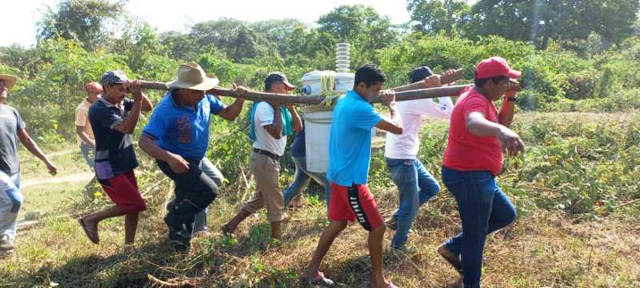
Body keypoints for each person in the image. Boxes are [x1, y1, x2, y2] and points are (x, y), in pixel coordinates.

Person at [302, 64, 403, 288]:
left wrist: (377, 100)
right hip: (352, 182)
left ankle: (311, 271)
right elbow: (397, 128)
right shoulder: (360, 109)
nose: (377, 95)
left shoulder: (344, 101)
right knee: (378, 228)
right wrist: (392, 105)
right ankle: (379, 282)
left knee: (337, 223)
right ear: (361, 85)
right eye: (375, 90)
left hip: (337, 176)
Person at [437, 57, 524, 288]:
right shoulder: (474, 101)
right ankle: (470, 284)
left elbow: (503, 119)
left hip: (478, 175)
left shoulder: (482, 95)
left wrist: (509, 97)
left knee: (505, 214)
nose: (508, 84)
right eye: (504, 82)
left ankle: (453, 248)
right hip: (470, 176)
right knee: (475, 236)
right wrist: (501, 131)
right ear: (489, 82)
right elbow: (473, 123)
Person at [139, 63, 244, 250]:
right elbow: (144, 141)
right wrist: (171, 158)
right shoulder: (166, 109)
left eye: (203, 89)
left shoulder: (204, 99)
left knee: (186, 196)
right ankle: (174, 217)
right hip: (172, 160)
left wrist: (240, 99)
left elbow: (229, 115)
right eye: (197, 91)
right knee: (208, 190)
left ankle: (179, 242)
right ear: (183, 90)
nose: (203, 94)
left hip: (195, 159)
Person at [222, 72, 303, 241]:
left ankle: (230, 226)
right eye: (284, 88)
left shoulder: (281, 108)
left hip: (270, 159)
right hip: (264, 158)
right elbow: (275, 132)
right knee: (276, 200)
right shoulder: (264, 107)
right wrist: (276, 108)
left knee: (260, 200)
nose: (287, 92)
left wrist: (290, 108)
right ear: (274, 87)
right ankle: (276, 240)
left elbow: (298, 127)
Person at [384, 66, 456, 250]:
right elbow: (450, 114)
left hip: (403, 155)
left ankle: (397, 219)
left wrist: (444, 86)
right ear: (427, 83)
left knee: (431, 187)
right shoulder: (416, 98)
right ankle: (398, 246)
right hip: (403, 158)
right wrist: (441, 89)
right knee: (411, 204)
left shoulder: (407, 96)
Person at [78, 70, 152, 246]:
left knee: (132, 206)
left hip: (124, 161)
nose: (124, 92)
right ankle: (90, 219)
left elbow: (148, 108)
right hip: (108, 166)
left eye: (126, 88)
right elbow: (127, 128)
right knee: (136, 204)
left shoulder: (122, 102)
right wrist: (138, 100)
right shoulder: (99, 109)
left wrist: (138, 91)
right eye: (120, 88)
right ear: (107, 87)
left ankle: (129, 246)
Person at [0, 74, 57, 256]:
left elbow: (26, 139)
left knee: (7, 205)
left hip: (13, 168)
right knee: (14, 200)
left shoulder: (12, 111)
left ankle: (5, 248)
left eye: (5, 85)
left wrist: (46, 160)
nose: (4, 88)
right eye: (0, 85)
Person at [282, 119, 331, 208]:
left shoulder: (312, 113)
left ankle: (278, 207)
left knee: (299, 184)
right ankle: (333, 216)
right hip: (304, 154)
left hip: (299, 153)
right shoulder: (319, 115)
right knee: (329, 182)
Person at [75, 82, 103, 171]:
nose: (99, 96)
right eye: (97, 94)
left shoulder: (97, 105)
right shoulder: (82, 109)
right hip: (87, 144)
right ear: (90, 94)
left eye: (100, 93)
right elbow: (80, 130)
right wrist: (92, 144)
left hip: (98, 141)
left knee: (103, 170)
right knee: (98, 170)